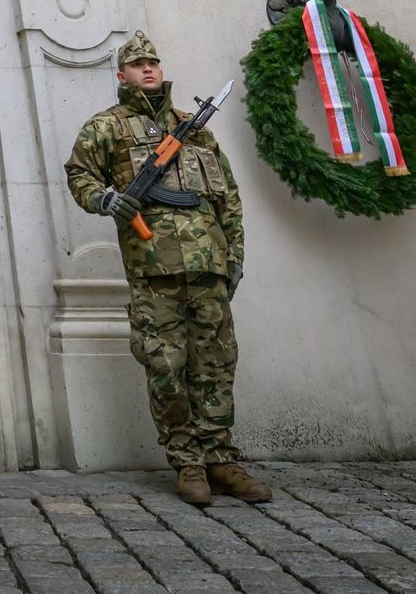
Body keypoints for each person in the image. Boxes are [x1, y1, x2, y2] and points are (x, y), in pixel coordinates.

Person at [64, 31, 270, 506]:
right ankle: (188, 462)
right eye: (138, 64)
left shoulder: (194, 129)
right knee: (166, 367)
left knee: (217, 365)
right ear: (122, 76)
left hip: (209, 269)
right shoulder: (107, 127)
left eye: (153, 61)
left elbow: (229, 199)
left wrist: (233, 257)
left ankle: (221, 458)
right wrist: (107, 199)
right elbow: (79, 174)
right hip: (153, 270)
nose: (149, 69)